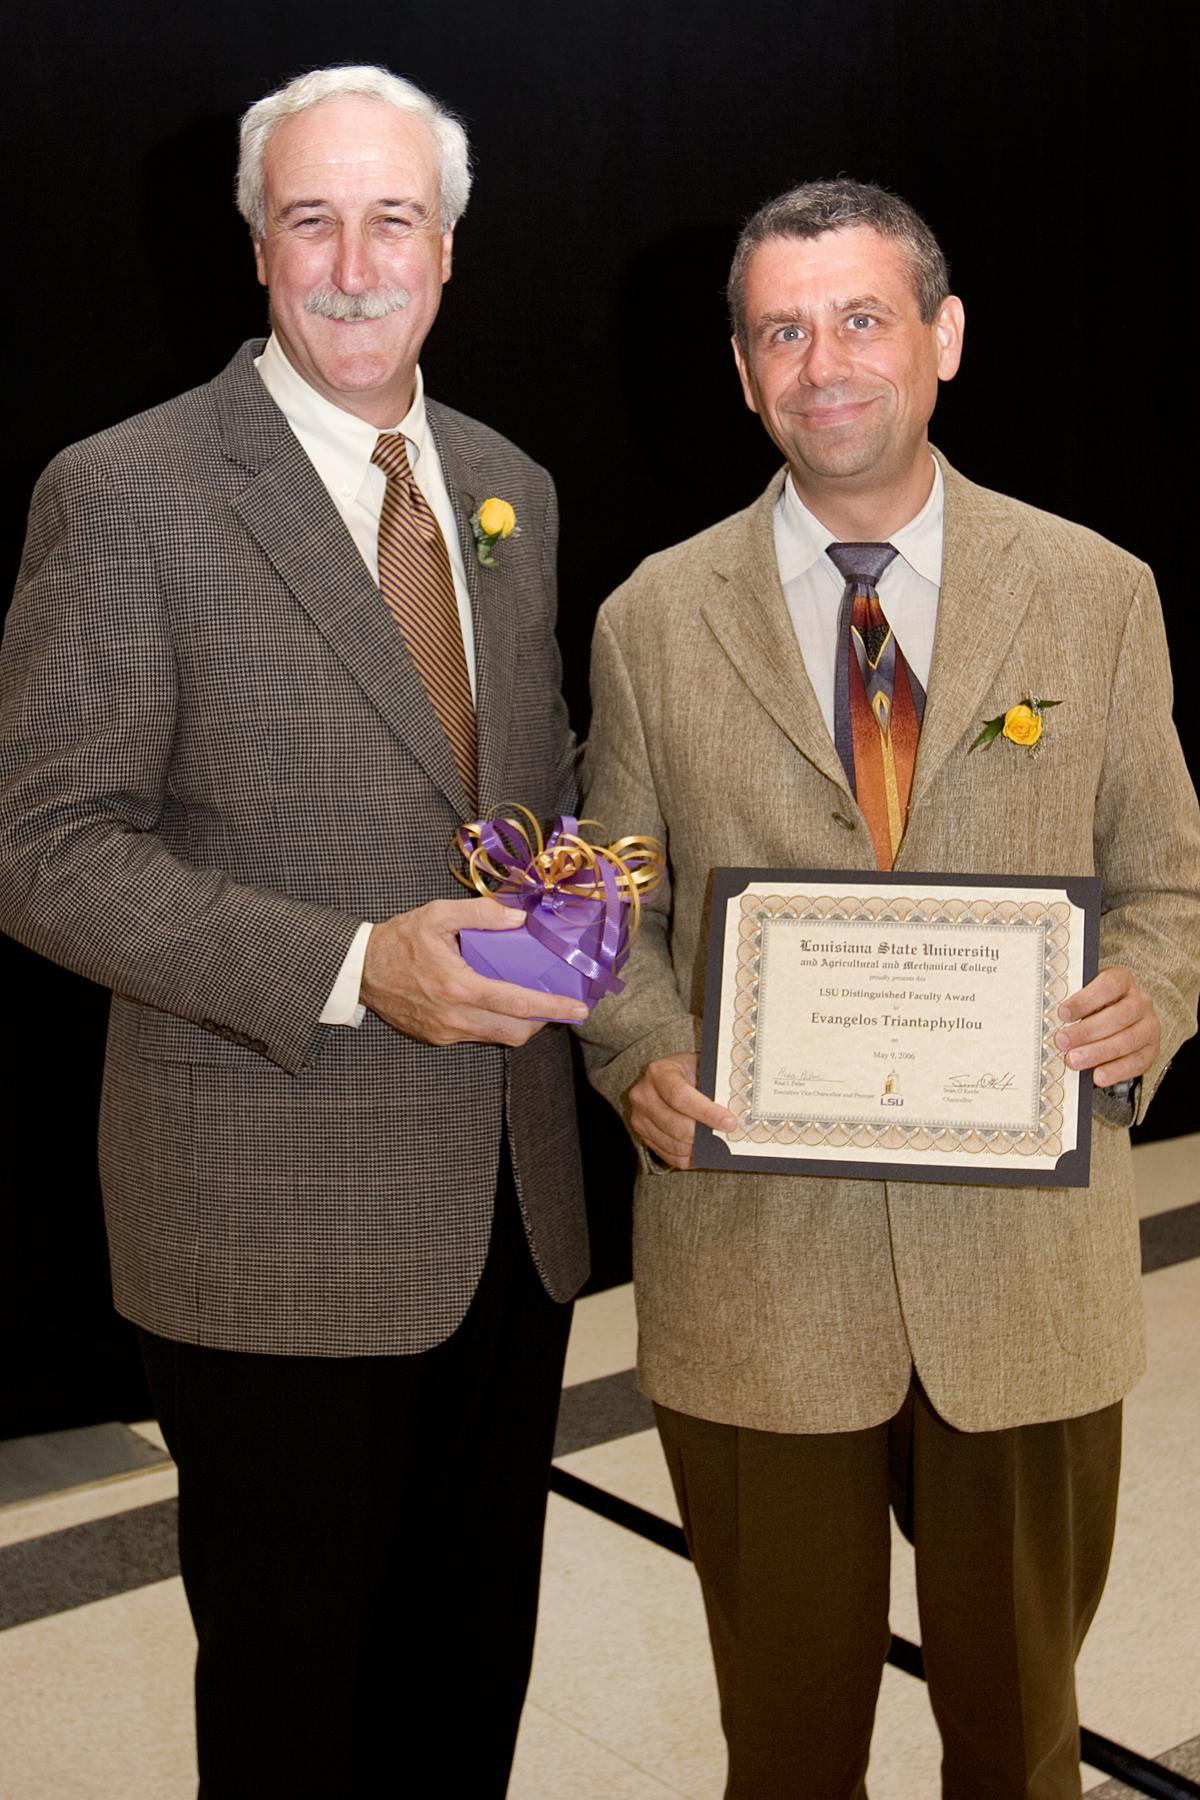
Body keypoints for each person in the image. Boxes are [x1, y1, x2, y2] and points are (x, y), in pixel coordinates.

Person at [0, 64, 589, 1799]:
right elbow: (43, 852)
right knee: (292, 1720)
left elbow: (519, 797)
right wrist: (353, 970)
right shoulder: (127, 491)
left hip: (511, 1213)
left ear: (448, 251)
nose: (354, 260)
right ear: (257, 249)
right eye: (311, 219)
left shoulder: (509, 488)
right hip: (270, 1222)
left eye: (391, 218)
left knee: (464, 1693)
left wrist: (583, 912)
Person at [579, 178, 1200, 1799]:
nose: (823, 361)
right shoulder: (651, 616)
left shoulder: (1096, 591)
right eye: (781, 331)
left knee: (1022, 1745)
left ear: (944, 336)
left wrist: (1150, 992)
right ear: (740, 372)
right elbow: (609, 907)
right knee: (784, 1752)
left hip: (1023, 1280)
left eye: (861, 317)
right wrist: (635, 1049)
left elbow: (1168, 882)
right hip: (756, 1277)